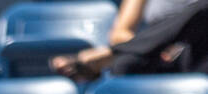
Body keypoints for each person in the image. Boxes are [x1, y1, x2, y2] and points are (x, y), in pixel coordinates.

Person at [50, 0, 208, 79]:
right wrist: (159, 46)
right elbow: (120, 33)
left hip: (198, 52)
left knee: (202, 9)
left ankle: (108, 54)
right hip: (157, 52)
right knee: (124, 64)